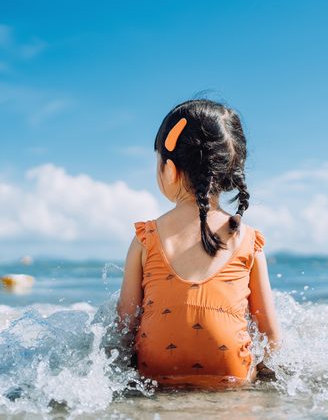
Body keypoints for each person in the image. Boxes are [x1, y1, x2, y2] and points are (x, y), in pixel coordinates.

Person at [117, 99, 280, 388]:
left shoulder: (146, 237)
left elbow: (125, 324)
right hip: (232, 372)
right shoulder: (248, 239)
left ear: (169, 168)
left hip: (154, 372)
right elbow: (270, 334)